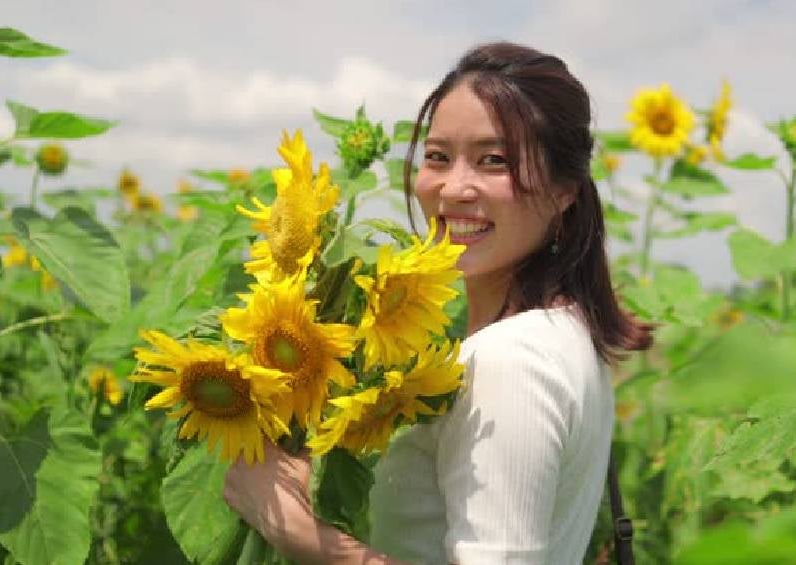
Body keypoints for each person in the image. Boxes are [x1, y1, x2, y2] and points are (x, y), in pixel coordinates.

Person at [223, 41, 653, 565]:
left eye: (494, 161)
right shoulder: (565, 333)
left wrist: (296, 531)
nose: (454, 188)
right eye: (438, 157)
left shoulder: (511, 361)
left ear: (564, 190)